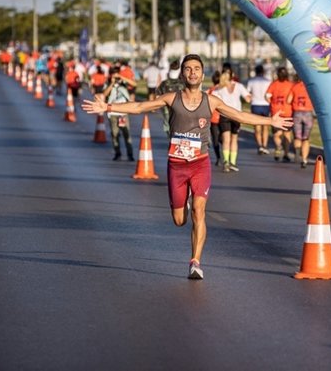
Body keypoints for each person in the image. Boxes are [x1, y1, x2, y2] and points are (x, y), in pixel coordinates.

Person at [82, 54, 292, 279]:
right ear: (183, 74)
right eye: (188, 69)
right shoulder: (172, 98)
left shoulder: (211, 101)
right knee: (179, 220)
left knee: (200, 212)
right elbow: (141, 106)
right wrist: (108, 106)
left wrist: (270, 121)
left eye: (196, 69)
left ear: (203, 74)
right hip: (177, 166)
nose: (192, 72)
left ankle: (195, 262)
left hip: (200, 164)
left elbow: (239, 115)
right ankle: (187, 202)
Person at [213, 66, 251, 172]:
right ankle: (232, 162)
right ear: (232, 75)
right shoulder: (238, 86)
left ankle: (226, 161)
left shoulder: (219, 87)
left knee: (226, 139)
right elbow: (247, 98)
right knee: (234, 139)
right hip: (236, 115)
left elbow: (215, 101)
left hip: (225, 115)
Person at [103, 66, 135, 161]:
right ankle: (117, 153)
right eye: (114, 74)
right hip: (113, 113)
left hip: (123, 113)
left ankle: (130, 154)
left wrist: (122, 78)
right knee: (114, 134)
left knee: (127, 134)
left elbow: (134, 84)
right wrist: (112, 83)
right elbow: (104, 94)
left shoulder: (123, 83)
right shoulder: (108, 82)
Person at [265, 66, 295, 162]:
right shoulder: (291, 85)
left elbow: (267, 96)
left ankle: (278, 147)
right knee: (287, 134)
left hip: (276, 112)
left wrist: (272, 103)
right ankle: (286, 153)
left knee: (277, 134)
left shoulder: (274, 85)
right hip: (288, 112)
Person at [287, 74, 314, 168]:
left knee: (297, 137)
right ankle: (304, 159)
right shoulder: (310, 86)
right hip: (308, 113)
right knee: (306, 138)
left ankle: (297, 153)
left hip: (297, 113)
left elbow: (288, 100)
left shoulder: (294, 87)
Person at [246, 64, 272, 155]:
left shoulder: (251, 81)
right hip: (266, 104)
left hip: (255, 104)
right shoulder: (268, 81)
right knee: (265, 126)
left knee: (257, 127)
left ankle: (260, 145)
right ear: (263, 71)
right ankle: (264, 145)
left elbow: (248, 93)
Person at [156, 59, 186, 137]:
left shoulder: (164, 84)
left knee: (169, 131)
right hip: (181, 112)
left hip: (167, 111)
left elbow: (158, 97)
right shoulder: (184, 84)